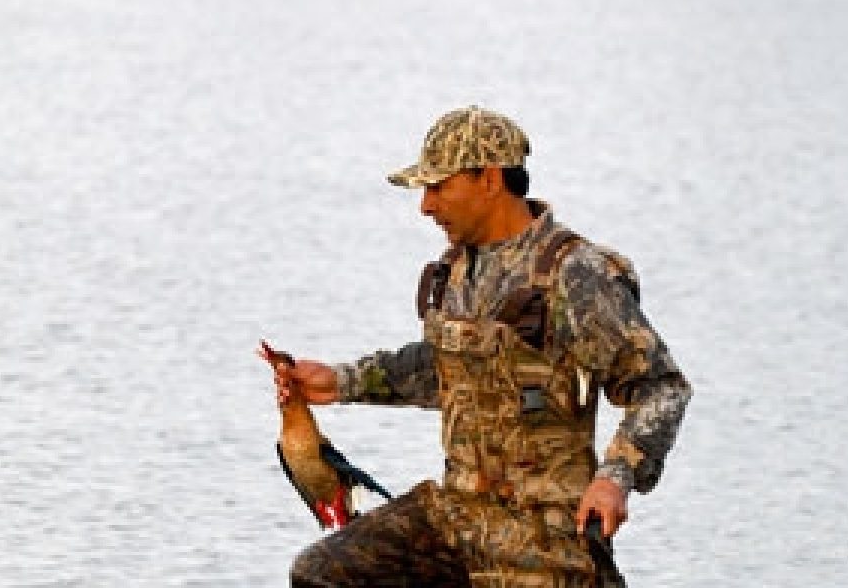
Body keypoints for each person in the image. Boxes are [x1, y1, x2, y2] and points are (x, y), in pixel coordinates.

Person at [271, 106, 692, 587]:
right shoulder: (454, 271)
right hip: (456, 515)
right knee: (324, 572)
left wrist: (615, 477)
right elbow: (443, 367)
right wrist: (342, 381)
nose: (425, 206)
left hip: (544, 535)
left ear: (489, 180)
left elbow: (661, 387)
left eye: (438, 187)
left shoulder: (574, 275)